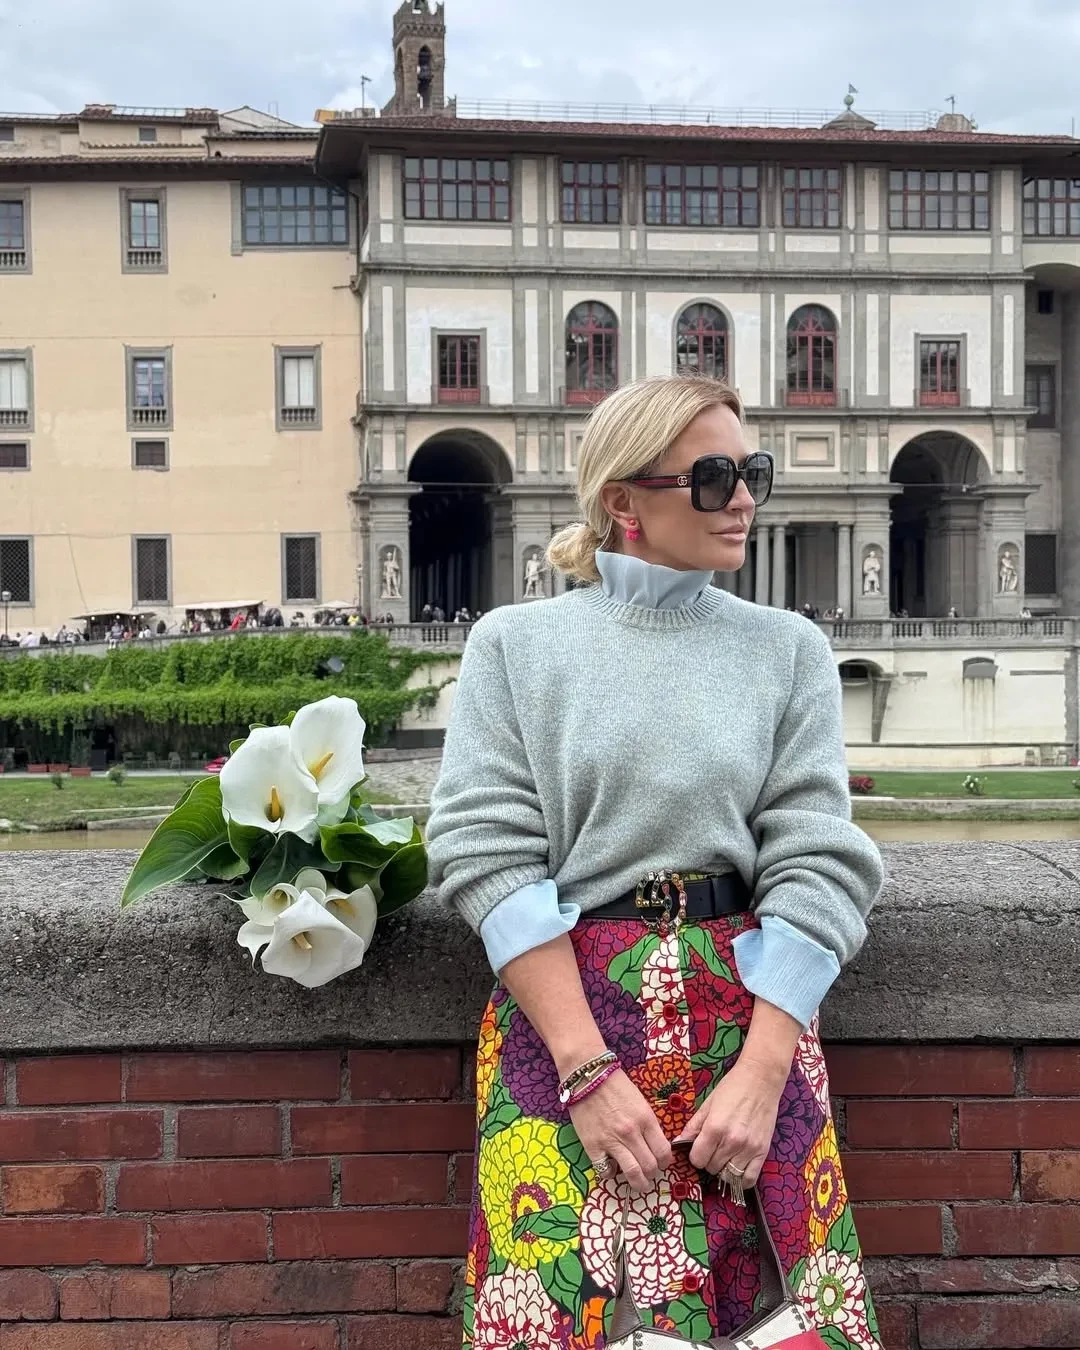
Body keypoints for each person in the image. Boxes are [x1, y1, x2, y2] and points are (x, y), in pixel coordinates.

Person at [428, 375, 885, 1348]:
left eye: (753, 473)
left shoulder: (787, 650)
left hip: (748, 1018)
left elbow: (818, 860)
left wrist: (764, 1073)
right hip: (566, 1020)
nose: (745, 499)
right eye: (715, 478)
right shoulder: (515, 647)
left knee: (773, 1313)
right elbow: (484, 852)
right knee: (563, 1309)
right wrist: (585, 1071)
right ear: (622, 500)